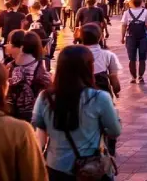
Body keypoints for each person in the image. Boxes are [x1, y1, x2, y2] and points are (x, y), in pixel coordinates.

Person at [32, 45, 121, 181]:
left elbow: (40, 133)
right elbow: (114, 131)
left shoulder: (45, 97)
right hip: (90, 168)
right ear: (88, 68)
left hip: (56, 166)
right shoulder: (99, 97)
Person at [7, 30, 52, 122]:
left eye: (10, 43)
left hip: (24, 121)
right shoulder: (9, 67)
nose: (7, 46)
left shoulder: (41, 72)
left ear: (21, 48)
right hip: (19, 121)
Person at [119, 0, 147, 85]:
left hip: (130, 36)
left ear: (132, 3)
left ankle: (133, 77)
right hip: (143, 36)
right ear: (141, 3)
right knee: (142, 58)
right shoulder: (146, 12)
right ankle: (140, 77)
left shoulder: (127, 12)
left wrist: (122, 37)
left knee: (132, 59)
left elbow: (124, 25)